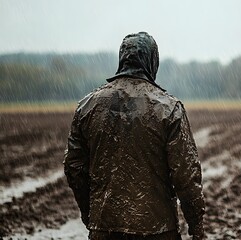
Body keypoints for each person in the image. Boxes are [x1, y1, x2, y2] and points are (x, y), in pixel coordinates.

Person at [64, 32, 205, 240]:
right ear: (152, 62)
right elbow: (186, 174)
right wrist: (196, 226)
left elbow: (74, 167)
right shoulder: (169, 109)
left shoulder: (87, 106)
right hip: (157, 230)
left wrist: (90, 214)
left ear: (122, 60)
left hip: (104, 228)